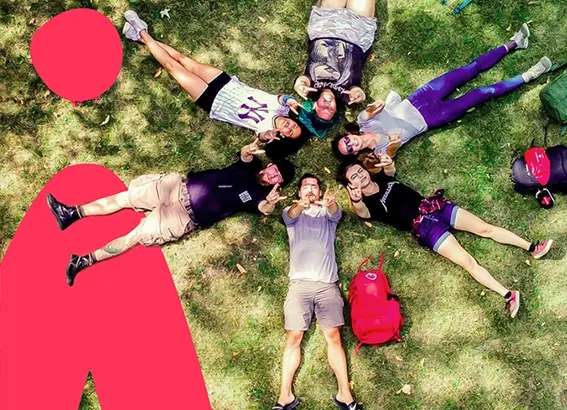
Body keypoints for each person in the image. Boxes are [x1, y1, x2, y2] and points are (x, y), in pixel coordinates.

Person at [47, 140, 294, 286]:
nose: (272, 173)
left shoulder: (259, 198)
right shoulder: (249, 167)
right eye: (274, 168)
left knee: (135, 236)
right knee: (125, 198)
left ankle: (82, 261)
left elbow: (264, 209)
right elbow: (245, 153)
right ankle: (72, 213)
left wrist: (271, 203)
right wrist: (252, 145)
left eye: (277, 177)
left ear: (278, 184)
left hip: (184, 217)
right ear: (270, 165)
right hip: (176, 187)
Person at [338, 157, 553, 318]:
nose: (360, 176)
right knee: (468, 262)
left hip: (435, 207)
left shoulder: (383, 179)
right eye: (354, 177)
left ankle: (532, 247)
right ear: (350, 185)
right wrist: (356, 201)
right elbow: (363, 213)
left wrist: (386, 162)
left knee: (485, 228)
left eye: (359, 171)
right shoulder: (371, 205)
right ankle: (508, 294)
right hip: (425, 229)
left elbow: (390, 170)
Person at [333, 25, 553, 157]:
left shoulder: (362, 121)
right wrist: (387, 141)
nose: (353, 145)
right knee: (481, 93)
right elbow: (393, 149)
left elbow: (374, 108)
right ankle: (530, 75)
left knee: (469, 69)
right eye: (350, 150)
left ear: (349, 135)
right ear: (355, 154)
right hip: (433, 117)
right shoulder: (379, 153)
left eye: (348, 142)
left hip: (419, 98)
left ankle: (514, 42)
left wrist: (378, 105)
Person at [122, 11, 303, 144]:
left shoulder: (268, 132)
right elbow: (282, 98)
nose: (289, 127)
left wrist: (267, 136)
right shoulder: (282, 110)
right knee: (183, 59)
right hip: (227, 84)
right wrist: (289, 99)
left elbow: (262, 137)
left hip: (213, 101)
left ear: (283, 135)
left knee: (172, 67)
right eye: (294, 126)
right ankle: (138, 36)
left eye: (289, 132)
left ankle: (142, 31)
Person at [274, 174, 361, 410]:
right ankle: (284, 398)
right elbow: (290, 215)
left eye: (314, 186)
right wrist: (298, 206)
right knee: (294, 338)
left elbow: (335, 212)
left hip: (327, 286)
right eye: (305, 187)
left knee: (334, 337)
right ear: (299, 193)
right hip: (299, 286)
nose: (310, 189)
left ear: (320, 192)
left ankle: (345, 395)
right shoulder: (291, 213)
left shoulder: (327, 214)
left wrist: (330, 202)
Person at [293, 0, 385, 138]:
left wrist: (299, 85)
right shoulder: (346, 96)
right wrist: (359, 95)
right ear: (336, 111)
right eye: (330, 112)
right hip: (356, 32)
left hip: (325, 27)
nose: (327, 106)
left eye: (321, 110)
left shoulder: (310, 89)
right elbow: (358, 92)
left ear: (313, 107)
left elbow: (301, 80)